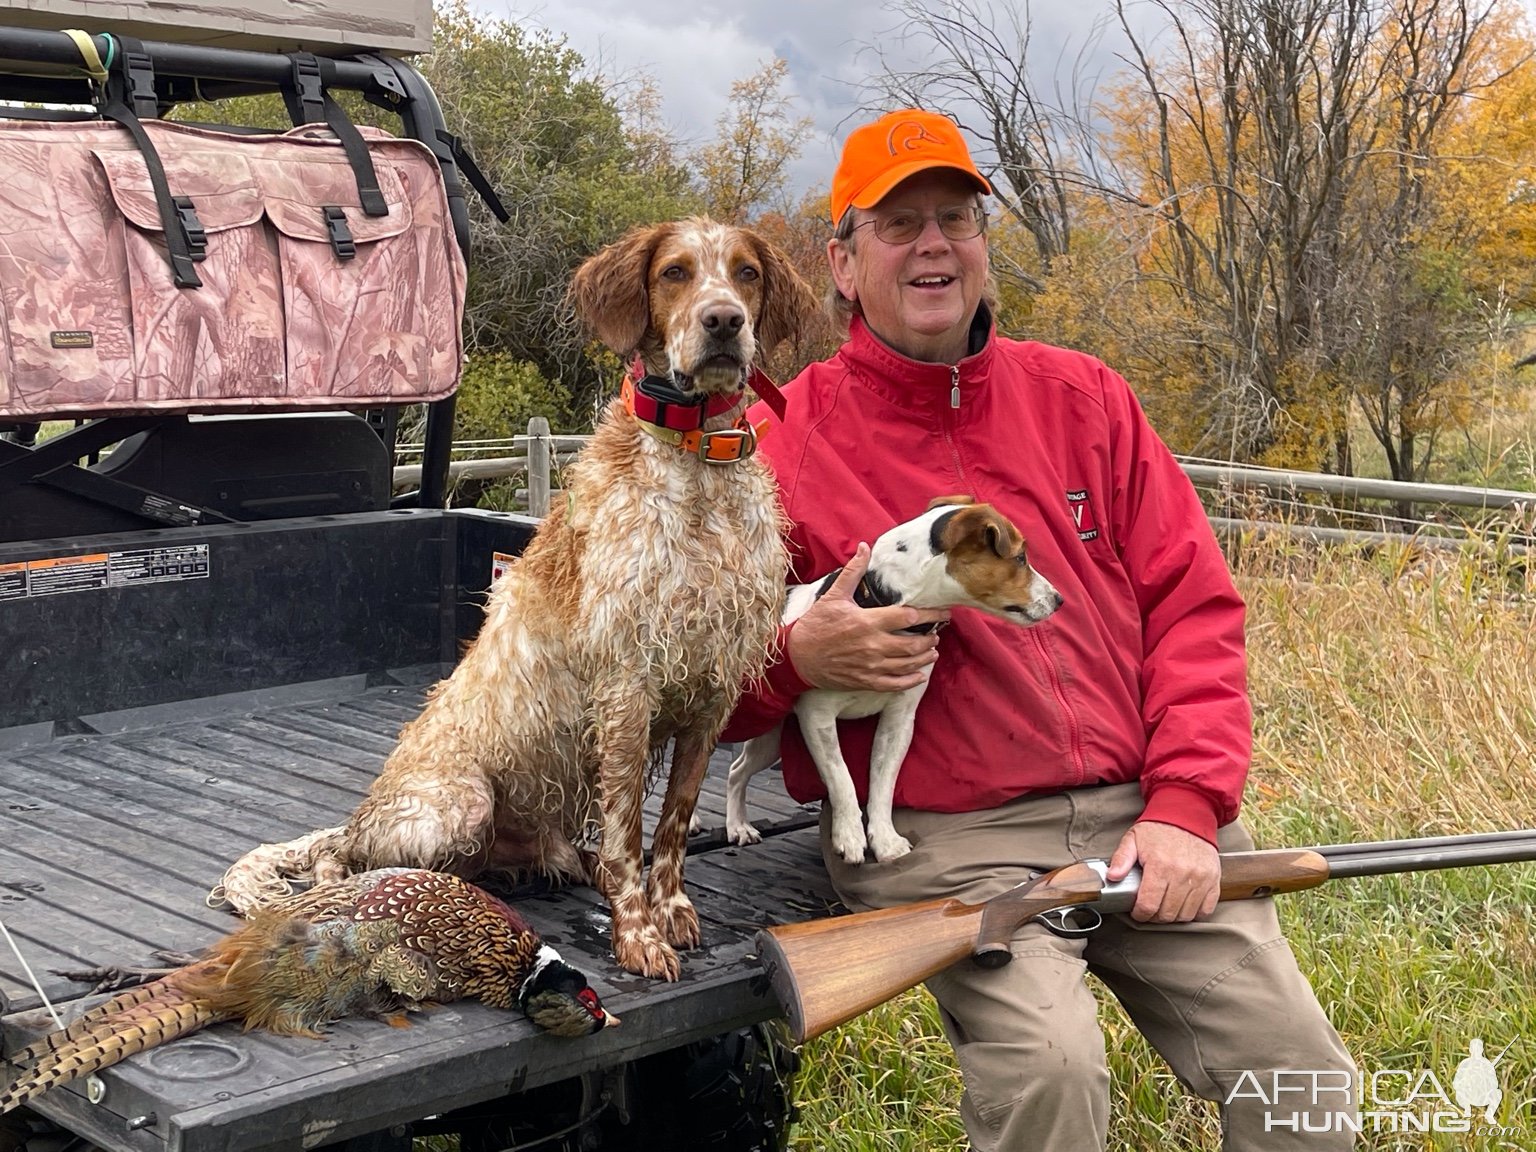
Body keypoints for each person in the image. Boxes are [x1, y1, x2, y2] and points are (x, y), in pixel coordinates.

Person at [723, 108, 1357, 1151]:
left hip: (1145, 819)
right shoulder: (777, 443)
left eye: (958, 218)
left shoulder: (1087, 398)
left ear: (982, 244)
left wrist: (1190, 807)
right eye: (899, 224)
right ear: (842, 263)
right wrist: (793, 662)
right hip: (947, 845)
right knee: (1052, 1082)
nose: (935, 244)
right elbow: (691, 670)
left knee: (1305, 1082)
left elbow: (1196, 608)